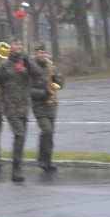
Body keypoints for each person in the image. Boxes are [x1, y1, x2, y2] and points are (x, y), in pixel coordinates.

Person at [0, 36, 43, 182]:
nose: (18, 46)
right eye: (15, 44)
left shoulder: (25, 62)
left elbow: (39, 76)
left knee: (22, 137)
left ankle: (17, 166)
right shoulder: (4, 66)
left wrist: (28, 64)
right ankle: (16, 169)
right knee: (19, 134)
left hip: (24, 107)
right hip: (10, 107)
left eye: (20, 43)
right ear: (10, 46)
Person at [32, 43, 65, 171]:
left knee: (50, 134)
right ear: (36, 54)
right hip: (39, 105)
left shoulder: (51, 66)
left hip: (51, 105)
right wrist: (44, 92)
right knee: (46, 130)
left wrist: (55, 76)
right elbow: (29, 90)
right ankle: (42, 158)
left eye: (44, 53)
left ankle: (48, 160)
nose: (42, 55)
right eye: (40, 53)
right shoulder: (32, 68)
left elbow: (61, 84)